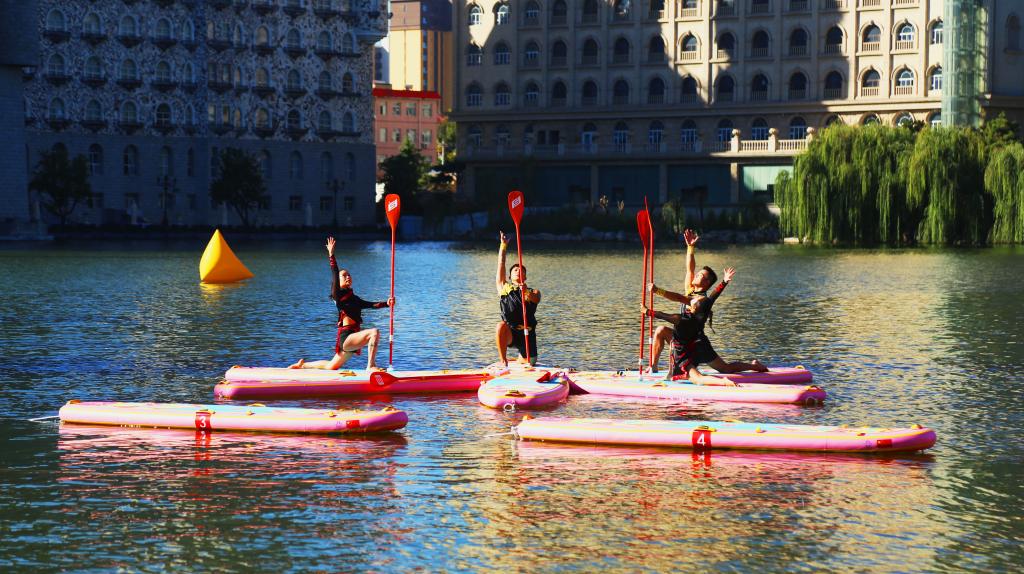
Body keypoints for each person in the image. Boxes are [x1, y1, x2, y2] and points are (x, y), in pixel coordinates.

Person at [647, 229, 767, 376]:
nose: (696, 275)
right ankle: (653, 367)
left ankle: (754, 366)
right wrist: (690, 248)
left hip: (697, 342)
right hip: (683, 338)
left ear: (706, 283)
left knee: (725, 369)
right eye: (698, 273)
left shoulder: (701, 300)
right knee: (660, 330)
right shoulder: (690, 290)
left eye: (700, 275)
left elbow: (678, 297)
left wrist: (657, 291)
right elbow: (689, 268)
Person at [289, 236, 394, 371]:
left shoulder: (355, 299)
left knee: (331, 366)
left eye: (349, 275)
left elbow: (372, 305)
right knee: (374, 332)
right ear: (338, 282)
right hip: (347, 338)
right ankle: (371, 366)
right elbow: (334, 273)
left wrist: (387, 303)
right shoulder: (338, 296)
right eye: (344, 275)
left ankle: (302, 365)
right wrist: (331, 255)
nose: (348, 276)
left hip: (352, 338)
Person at [495, 231, 541, 366]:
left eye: (522, 270)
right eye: (515, 270)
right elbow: (501, 264)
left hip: (527, 334)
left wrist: (525, 291)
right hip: (511, 332)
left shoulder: (533, 291)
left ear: (525, 277)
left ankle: (521, 358)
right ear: (510, 276)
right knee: (500, 326)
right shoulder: (504, 288)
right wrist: (503, 245)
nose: (518, 271)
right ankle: (503, 361)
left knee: (530, 362)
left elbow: (535, 299)